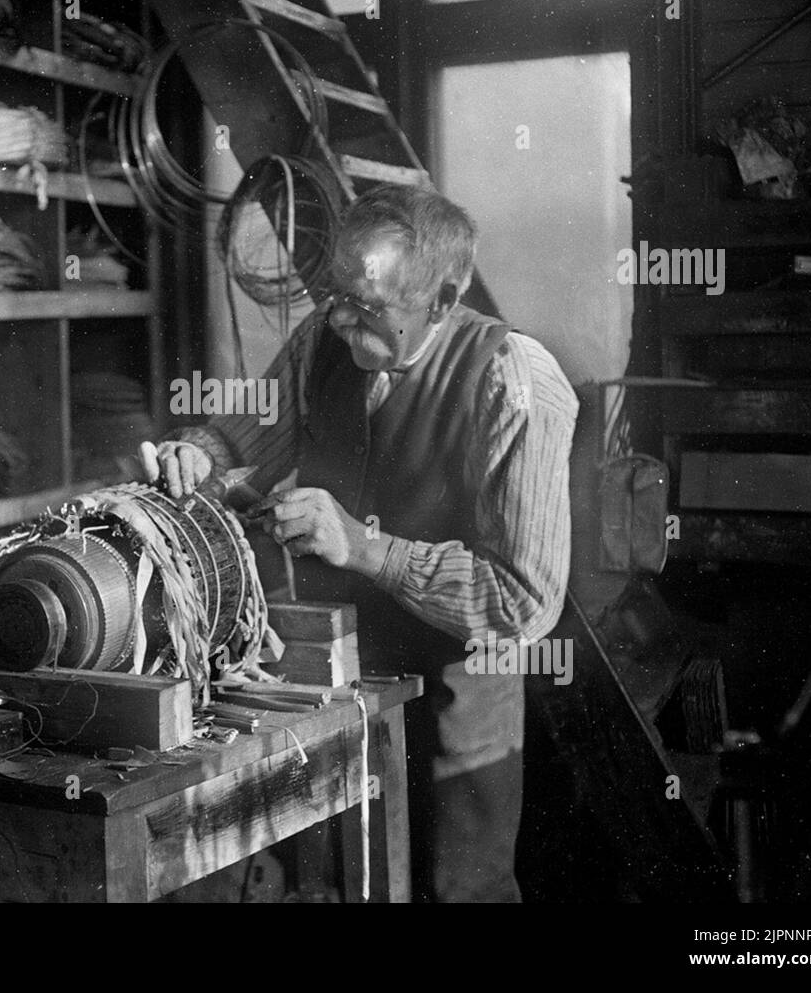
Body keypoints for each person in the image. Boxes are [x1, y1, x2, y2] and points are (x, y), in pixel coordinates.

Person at [143, 183, 577, 902]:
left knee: (454, 887)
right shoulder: (325, 339)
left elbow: (524, 603)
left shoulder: (516, 381)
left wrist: (365, 548)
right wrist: (199, 455)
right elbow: (243, 442)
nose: (340, 316)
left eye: (367, 304)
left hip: (455, 703)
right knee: (334, 881)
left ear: (440, 300)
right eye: (335, 291)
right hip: (334, 677)